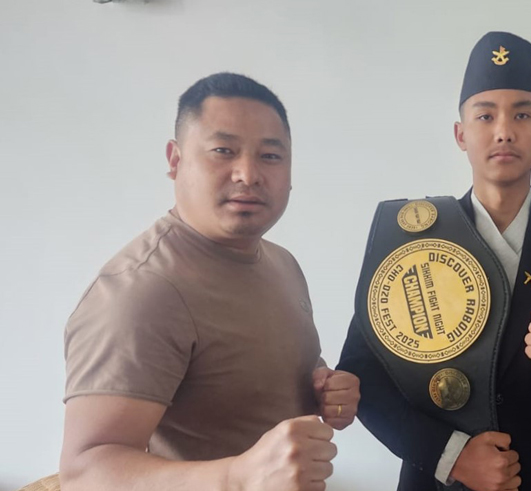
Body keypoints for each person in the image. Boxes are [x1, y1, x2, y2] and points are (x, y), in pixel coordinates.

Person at [338, 32, 531, 491]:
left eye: (522, 114)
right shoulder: (413, 238)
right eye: (485, 115)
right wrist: (451, 458)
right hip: (434, 480)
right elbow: (363, 378)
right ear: (461, 134)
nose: (504, 131)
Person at [60, 72, 361, 491]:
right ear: (175, 159)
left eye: (270, 156)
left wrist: (324, 385)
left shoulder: (280, 262)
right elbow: (84, 474)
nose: (248, 174)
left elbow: (254, 375)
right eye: (223, 151)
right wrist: (238, 476)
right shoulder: (142, 291)